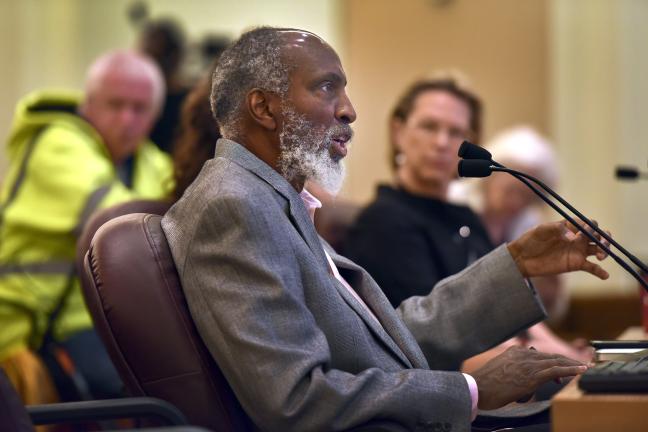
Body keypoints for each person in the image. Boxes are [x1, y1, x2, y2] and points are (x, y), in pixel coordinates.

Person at [162, 27, 609, 431]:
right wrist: (470, 390)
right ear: (264, 107)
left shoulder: (271, 199)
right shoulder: (234, 206)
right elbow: (294, 398)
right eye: (325, 87)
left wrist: (517, 265)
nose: (350, 111)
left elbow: (384, 339)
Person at [345, 80, 591, 373]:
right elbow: (426, 344)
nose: (441, 143)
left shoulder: (465, 216)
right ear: (398, 132)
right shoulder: (385, 221)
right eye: (429, 126)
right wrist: (556, 361)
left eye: (456, 132)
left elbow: (505, 300)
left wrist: (561, 350)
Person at [0, 50, 172, 401]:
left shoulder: (152, 162)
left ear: (155, 116)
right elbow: (122, 225)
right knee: (136, 391)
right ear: (88, 104)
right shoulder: (56, 144)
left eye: (139, 109)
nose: (127, 119)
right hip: (29, 323)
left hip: (101, 316)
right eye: (115, 104)